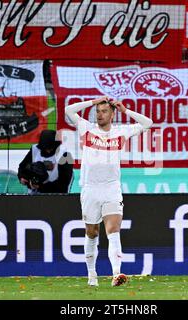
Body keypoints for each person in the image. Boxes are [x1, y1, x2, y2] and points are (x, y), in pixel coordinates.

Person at [65, 96, 153, 287]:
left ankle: (116, 273)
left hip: (112, 188)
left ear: (112, 114)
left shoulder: (121, 132)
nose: (100, 115)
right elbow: (69, 110)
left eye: (104, 111)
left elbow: (148, 123)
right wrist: (92, 101)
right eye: (98, 111)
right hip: (90, 189)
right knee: (92, 233)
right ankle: (92, 275)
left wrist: (125, 111)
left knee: (113, 231)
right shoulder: (87, 129)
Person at [18, 129, 74, 194]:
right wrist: (22, 177)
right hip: (34, 195)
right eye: (45, 148)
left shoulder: (65, 155)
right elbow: (22, 167)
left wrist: (40, 187)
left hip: (56, 196)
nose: (48, 151)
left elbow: (63, 184)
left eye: (50, 148)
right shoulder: (35, 150)